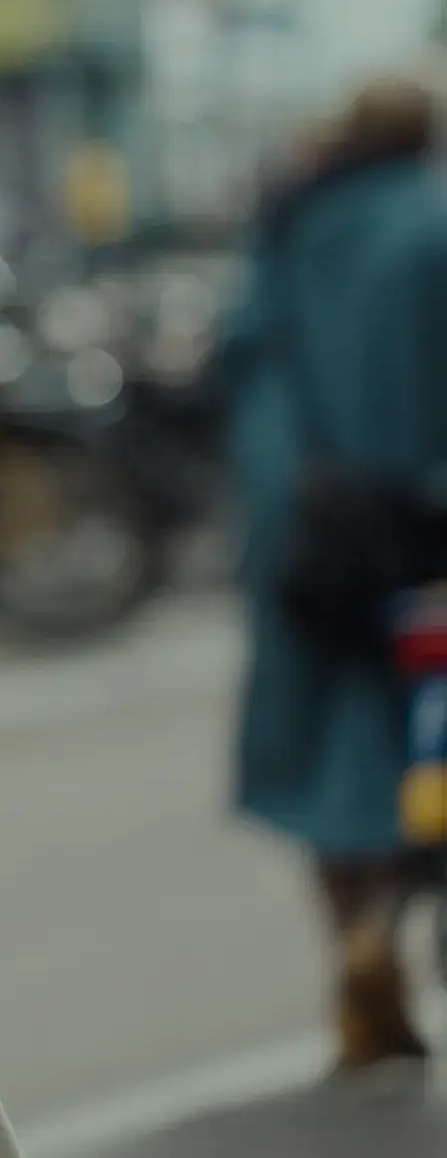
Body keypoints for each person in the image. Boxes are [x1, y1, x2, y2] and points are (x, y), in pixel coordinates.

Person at [223, 64, 447, 1073]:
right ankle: (387, 927)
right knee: (421, 748)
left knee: (325, 751)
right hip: (420, 535)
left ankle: (354, 950)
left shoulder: (294, 225)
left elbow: (241, 360)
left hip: (305, 537)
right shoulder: (434, 224)